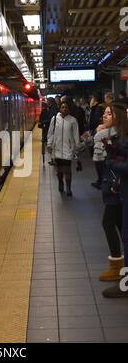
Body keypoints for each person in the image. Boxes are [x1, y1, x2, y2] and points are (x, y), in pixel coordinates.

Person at [102, 103, 128, 298]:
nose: (104, 116)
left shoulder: (122, 140)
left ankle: (125, 284)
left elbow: (124, 165)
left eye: (108, 113)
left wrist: (111, 160)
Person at [95, 105, 123, 281]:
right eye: (104, 113)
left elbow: (120, 162)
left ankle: (116, 266)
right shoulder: (113, 134)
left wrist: (116, 186)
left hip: (116, 187)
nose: (104, 116)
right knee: (120, 225)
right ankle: (119, 267)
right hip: (112, 184)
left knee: (108, 223)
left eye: (109, 114)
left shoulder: (116, 136)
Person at [47, 102, 80, 197]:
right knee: (59, 171)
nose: (64, 109)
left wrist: (76, 148)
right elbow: (50, 133)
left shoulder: (73, 120)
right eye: (62, 107)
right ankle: (60, 182)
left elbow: (76, 135)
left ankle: (69, 188)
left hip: (68, 150)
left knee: (68, 170)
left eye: (66, 107)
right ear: (59, 108)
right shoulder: (54, 119)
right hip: (56, 149)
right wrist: (49, 144)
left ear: (69, 109)